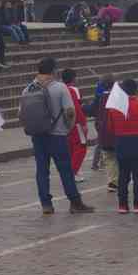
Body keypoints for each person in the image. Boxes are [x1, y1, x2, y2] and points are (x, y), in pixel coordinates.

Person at [18, 57, 92, 215]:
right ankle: (75, 202)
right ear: (53, 71)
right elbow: (70, 112)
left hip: (38, 136)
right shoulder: (60, 88)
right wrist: (68, 127)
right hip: (57, 135)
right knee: (65, 169)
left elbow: (21, 114)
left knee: (42, 171)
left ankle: (46, 204)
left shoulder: (27, 89)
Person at [108, 78, 138, 213]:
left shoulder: (114, 109)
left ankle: (122, 205)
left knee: (123, 176)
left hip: (121, 143)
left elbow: (111, 129)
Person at [62, 69, 90, 182]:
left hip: (65, 123)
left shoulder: (61, 89)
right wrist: (83, 123)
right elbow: (77, 108)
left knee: (71, 148)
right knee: (81, 147)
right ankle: (72, 172)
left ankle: (73, 170)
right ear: (73, 78)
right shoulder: (74, 90)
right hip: (76, 123)